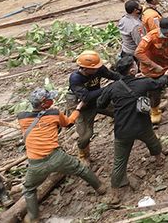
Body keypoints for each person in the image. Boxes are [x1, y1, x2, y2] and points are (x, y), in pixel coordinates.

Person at [19, 88, 105, 222]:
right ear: (45, 104)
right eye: (50, 100)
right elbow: (69, 122)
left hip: (35, 164)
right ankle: (101, 188)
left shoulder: (22, 117)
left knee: (29, 189)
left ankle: (33, 217)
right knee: (80, 169)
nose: (52, 101)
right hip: (57, 157)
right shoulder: (54, 113)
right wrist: (78, 108)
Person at [97, 56, 167, 202]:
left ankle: (114, 194)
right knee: (152, 141)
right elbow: (159, 84)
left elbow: (100, 104)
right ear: (133, 70)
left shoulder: (112, 87)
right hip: (142, 125)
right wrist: (166, 74)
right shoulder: (143, 82)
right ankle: (159, 159)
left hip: (122, 129)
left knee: (119, 161)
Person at [66, 51, 121, 162]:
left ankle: (125, 135)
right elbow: (86, 97)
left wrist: (127, 78)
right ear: (84, 68)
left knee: (119, 112)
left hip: (98, 100)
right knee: (85, 135)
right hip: (82, 107)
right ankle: (83, 155)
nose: (97, 70)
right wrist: (107, 89)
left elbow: (113, 76)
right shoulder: (75, 78)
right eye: (94, 69)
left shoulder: (98, 68)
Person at [134, 18, 168, 124]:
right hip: (151, 71)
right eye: (166, 32)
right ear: (161, 29)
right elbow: (138, 53)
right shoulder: (150, 37)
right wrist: (153, 65)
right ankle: (155, 112)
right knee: (154, 95)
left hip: (167, 67)